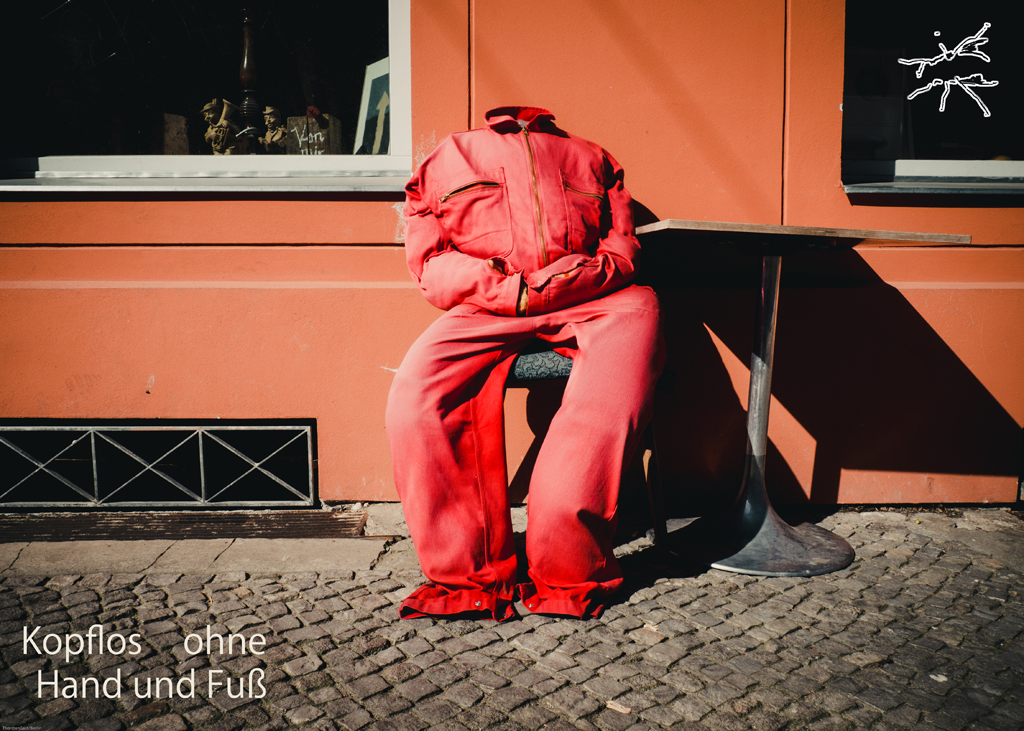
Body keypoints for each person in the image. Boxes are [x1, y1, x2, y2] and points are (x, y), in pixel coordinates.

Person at [385, 106, 664, 621]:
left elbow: (622, 248)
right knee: (415, 398)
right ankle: (469, 575)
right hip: (488, 305)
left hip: (597, 299)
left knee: (611, 389)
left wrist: (560, 283)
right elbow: (430, 262)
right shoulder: (451, 156)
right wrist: (506, 290)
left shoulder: (591, 157)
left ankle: (567, 570)